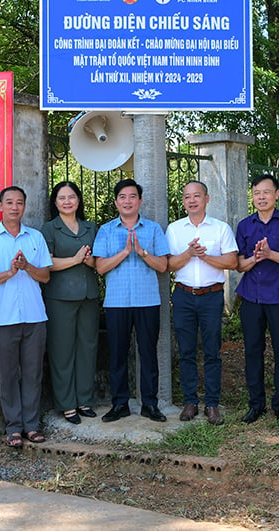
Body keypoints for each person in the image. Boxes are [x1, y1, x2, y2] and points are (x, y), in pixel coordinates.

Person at [0, 186, 52, 447]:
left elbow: (45, 276)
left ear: (24, 207)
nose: (14, 207)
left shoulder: (35, 238)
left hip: (34, 315)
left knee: (33, 373)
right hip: (3, 317)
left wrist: (26, 267)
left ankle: (31, 426)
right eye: (9, 202)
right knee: (8, 374)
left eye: (19, 202)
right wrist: (10, 272)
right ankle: (13, 427)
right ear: (0, 206)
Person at [93, 179, 170, 423]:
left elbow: (164, 265)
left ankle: (150, 404)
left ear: (140, 200)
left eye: (132, 196)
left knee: (148, 353)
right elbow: (100, 267)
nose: (128, 201)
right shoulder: (106, 230)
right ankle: (120, 404)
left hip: (147, 301)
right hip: (117, 303)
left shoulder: (153, 229)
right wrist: (125, 252)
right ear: (116, 202)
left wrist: (142, 252)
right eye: (123, 197)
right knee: (117, 355)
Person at [235, 174, 279, 426]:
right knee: (253, 351)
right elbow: (239, 265)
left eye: (266, 192)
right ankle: (256, 405)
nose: (261, 197)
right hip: (251, 297)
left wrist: (271, 254)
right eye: (256, 193)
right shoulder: (245, 225)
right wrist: (256, 257)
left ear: (277, 194)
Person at [166, 180, 238, 425]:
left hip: (211, 296)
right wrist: (189, 254)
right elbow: (168, 265)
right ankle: (190, 401)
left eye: (197, 195)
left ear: (207, 199)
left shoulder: (220, 228)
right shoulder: (175, 229)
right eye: (187, 197)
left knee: (212, 352)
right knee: (186, 351)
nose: (192, 200)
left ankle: (212, 403)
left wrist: (204, 255)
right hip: (184, 295)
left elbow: (231, 262)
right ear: (184, 201)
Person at [40, 181, 100, 424]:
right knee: (62, 350)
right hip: (59, 297)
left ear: (78, 200)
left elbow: (99, 261)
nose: (67, 201)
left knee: (88, 347)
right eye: (62, 197)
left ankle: (84, 400)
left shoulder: (90, 227)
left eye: (71, 196)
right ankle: (67, 404)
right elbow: (48, 263)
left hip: (89, 295)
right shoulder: (49, 229)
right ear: (55, 202)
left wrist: (88, 261)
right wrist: (76, 259)